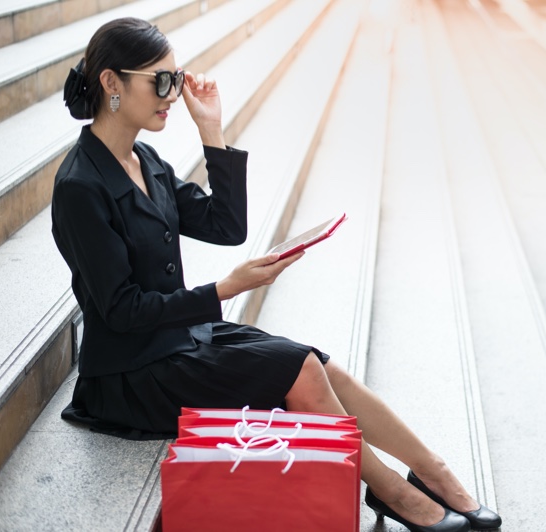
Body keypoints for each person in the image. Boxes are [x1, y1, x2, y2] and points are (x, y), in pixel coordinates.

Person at [52, 17, 501, 532]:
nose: (173, 93)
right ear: (112, 82)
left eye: (176, 79)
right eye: (161, 81)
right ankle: (394, 493)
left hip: (179, 339)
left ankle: (433, 473)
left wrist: (212, 131)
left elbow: (226, 226)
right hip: (131, 374)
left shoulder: (144, 158)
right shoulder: (80, 185)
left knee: (318, 364)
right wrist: (228, 288)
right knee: (300, 370)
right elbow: (121, 310)